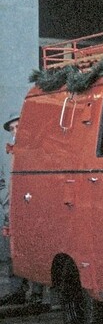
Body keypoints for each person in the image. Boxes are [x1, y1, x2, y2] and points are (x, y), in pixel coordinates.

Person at [0, 113, 44, 307]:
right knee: (12, 250)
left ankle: (36, 294)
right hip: (11, 210)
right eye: (12, 129)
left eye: (18, 126)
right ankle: (17, 291)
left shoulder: (38, 151)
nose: (16, 131)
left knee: (34, 249)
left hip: (32, 209)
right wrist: (4, 200)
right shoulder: (6, 153)